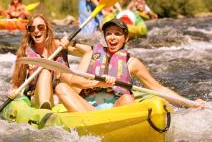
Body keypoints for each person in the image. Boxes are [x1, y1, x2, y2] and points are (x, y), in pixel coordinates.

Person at [55, 18, 205, 112]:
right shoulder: (91, 54)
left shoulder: (132, 62)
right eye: (109, 33)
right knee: (61, 87)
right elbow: (73, 80)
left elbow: (158, 88)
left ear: (126, 38)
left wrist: (190, 104)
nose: (112, 38)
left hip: (116, 110)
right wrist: (98, 83)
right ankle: (90, 122)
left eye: (117, 34)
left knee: (128, 99)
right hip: (87, 109)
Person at [10, 14, 92, 109]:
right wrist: (14, 91)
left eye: (40, 27)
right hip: (39, 97)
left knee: (71, 73)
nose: (36, 31)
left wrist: (72, 42)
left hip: (64, 93)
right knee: (45, 71)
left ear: (47, 29)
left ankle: (84, 93)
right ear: (29, 32)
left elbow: (88, 52)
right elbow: (17, 83)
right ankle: (45, 109)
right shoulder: (25, 52)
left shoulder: (58, 45)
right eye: (32, 28)